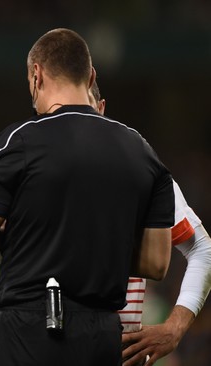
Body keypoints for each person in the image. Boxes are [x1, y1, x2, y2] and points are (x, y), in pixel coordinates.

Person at [0, 28, 175, 365]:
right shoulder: (142, 151)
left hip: (26, 332)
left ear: (36, 75)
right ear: (91, 76)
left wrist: (29, 237)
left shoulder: (18, 141)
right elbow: (156, 264)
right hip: (102, 337)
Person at [88, 81, 211, 366]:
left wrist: (174, 328)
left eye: (86, 109)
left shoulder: (139, 172)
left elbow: (202, 249)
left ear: (101, 109)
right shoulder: (35, 164)